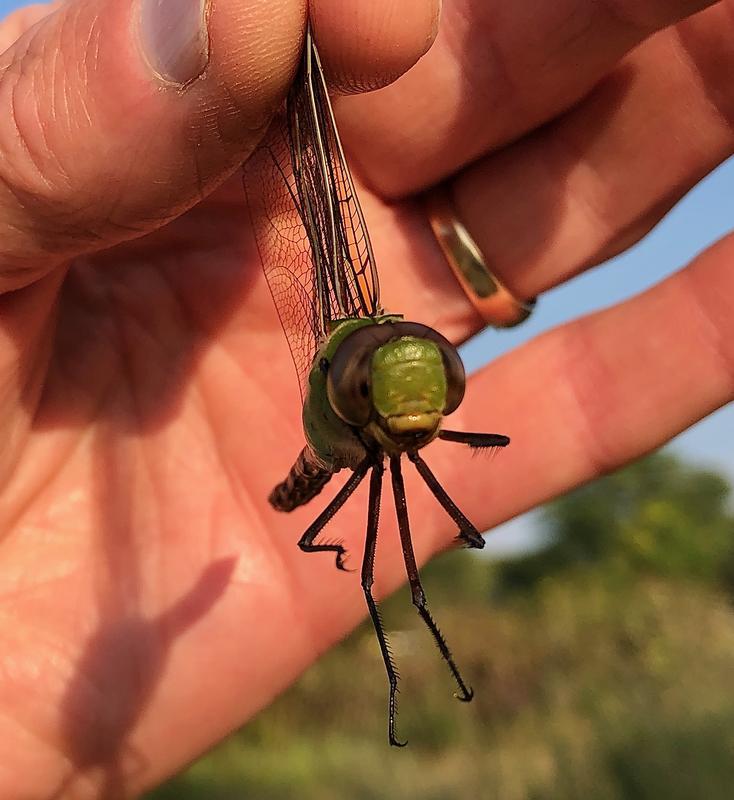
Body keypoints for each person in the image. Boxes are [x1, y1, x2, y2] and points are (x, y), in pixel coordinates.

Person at [0, 0, 731, 795]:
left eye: (441, 382)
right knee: (387, 573)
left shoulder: (386, 392)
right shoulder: (343, 393)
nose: (425, 404)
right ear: (351, 391)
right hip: (310, 463)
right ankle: (400, 682)